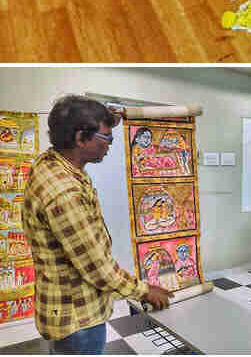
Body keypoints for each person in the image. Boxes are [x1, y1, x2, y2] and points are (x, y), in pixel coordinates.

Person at [22, 96, 169, 354]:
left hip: (67, 307)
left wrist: (105, 118)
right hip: (78, 317)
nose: (110, 146)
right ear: (80, 138)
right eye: (107, 138)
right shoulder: (64, 193)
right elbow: (97, 267)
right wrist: (145, 291)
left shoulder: (53, 161)